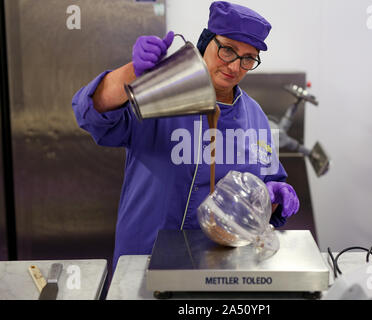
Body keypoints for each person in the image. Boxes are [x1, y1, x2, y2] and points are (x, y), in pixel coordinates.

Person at [72, 1, 300, 273]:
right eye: (227, 50)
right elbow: (90, 114)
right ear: (206, 42)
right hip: (145, 259)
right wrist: (132, 71)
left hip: (219, 267)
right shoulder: (162, 94)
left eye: (248, 58)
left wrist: (273, 196)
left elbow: (263, 189)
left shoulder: (255, 117)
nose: (235, 66)